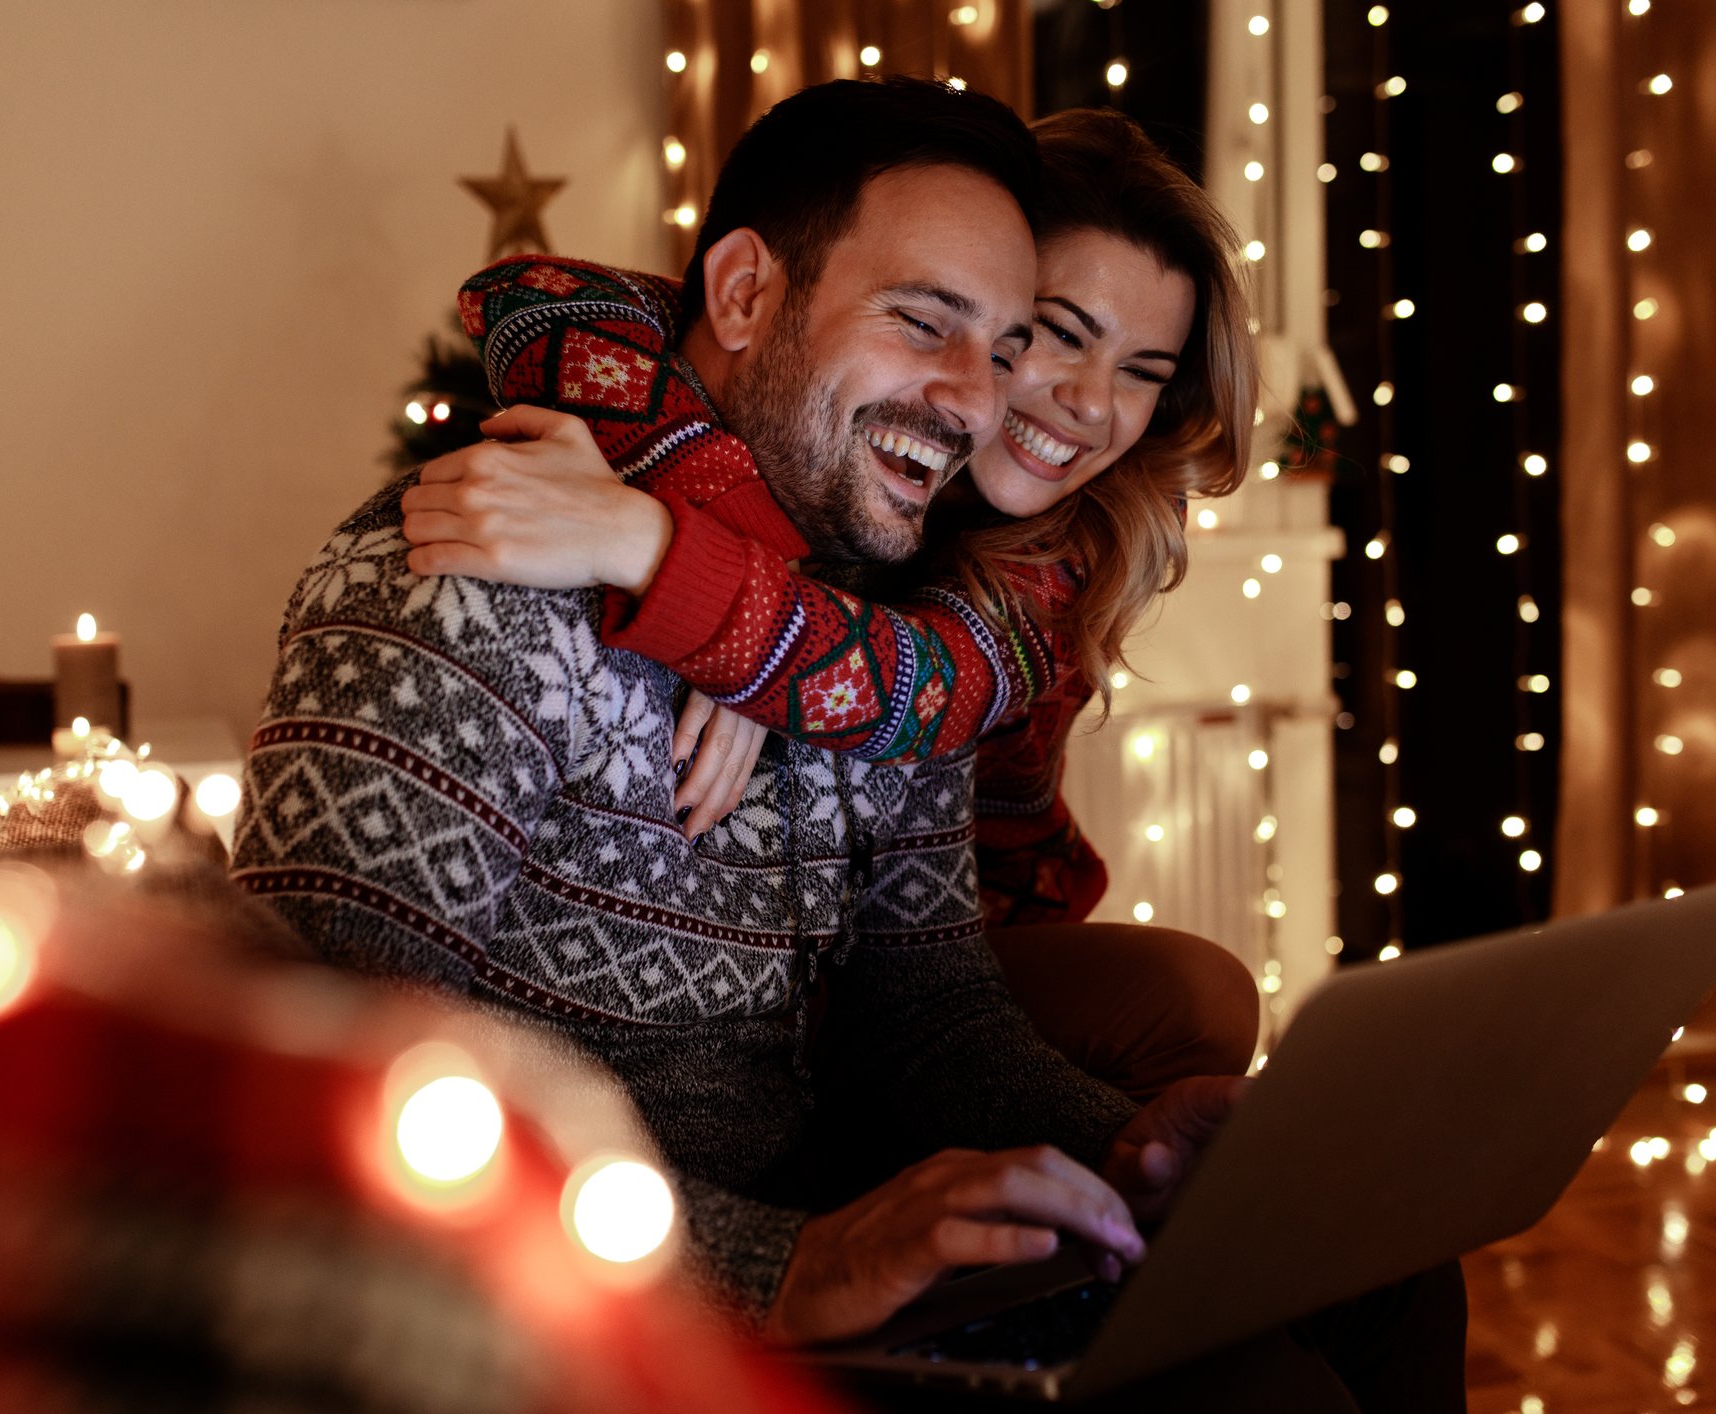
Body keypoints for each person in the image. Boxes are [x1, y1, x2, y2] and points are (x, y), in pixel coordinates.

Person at [235, 78, 1463, 1407]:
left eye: (1000, 348)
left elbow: (923, 1008)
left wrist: (1129, 1157)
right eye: (924, 322)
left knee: (1378, 1265)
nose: (975, 401)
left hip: (815, 1214)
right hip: (587, 1310)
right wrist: (779, 1267)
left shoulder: (866, 609)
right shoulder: (469, 567)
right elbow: (318, 1096)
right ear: (749, 294)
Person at [405, 108, 1261, 1102]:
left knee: (1201, 1004)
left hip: (965, 949)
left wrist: (664, 555)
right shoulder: (832, 430)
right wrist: (738, 533)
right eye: (1057, 336)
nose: (1093, 403)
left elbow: (913, 692)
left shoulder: (1067, 551)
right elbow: (535, 298)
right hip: (760, 954)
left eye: (1143, 375)